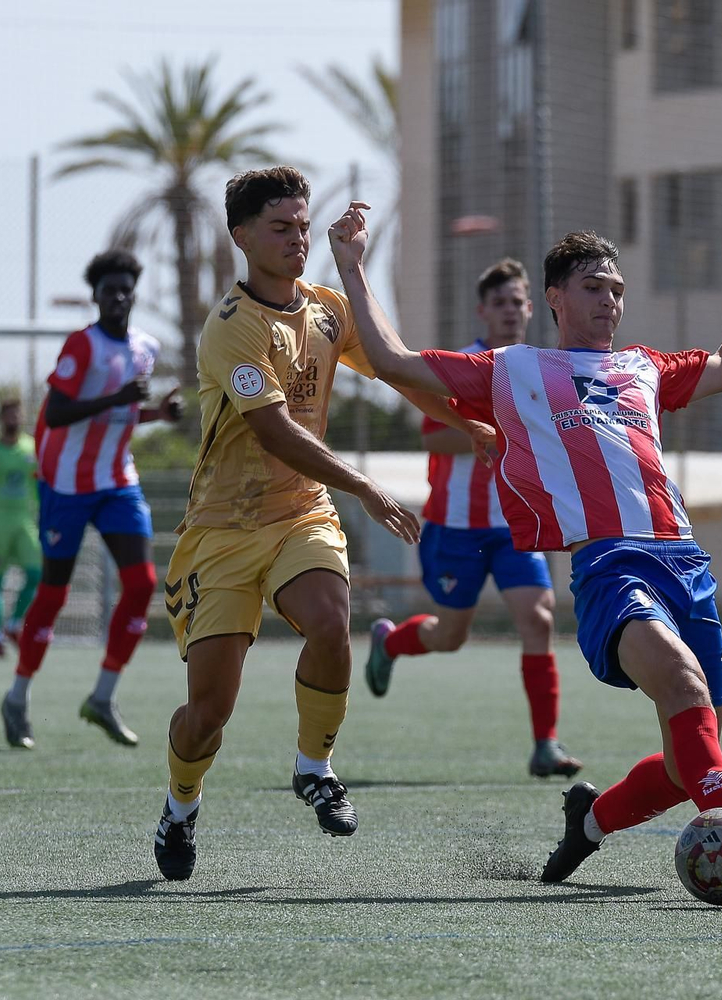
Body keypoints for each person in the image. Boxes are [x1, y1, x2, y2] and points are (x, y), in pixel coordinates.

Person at [329, 201, 722, 901]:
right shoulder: (513, 368)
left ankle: (589, 822)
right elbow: (392, 361)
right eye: (594, 286)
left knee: (688, 761)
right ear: (555, 298)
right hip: (612, 568)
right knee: (682, 689)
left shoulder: (643, 367)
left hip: (685, 564)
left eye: (617, 289)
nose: (610, 300)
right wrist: (351, 266)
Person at [152, 167, 494, 881]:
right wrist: (366, 485)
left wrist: (471, 424)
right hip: (219, 535)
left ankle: (314, 767)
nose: (297, 239)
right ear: (242, 237)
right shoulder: (231, 329)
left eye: (303, 225)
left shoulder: (328, 309)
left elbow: (401, 371)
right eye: (281, 228)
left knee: (332, 619)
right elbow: (275, 432)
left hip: (301, 512)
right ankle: (181, 805)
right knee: (208, 713)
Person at [363, 258, 583, 780]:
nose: (510, 312)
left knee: (540, 619)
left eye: (518, 303)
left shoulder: (540, 367)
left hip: (515, 527)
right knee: (451, 636)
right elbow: (433, 436)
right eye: (499, 303)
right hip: (456, 526)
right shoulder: (461, 364)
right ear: (482, 311)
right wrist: (496, 427)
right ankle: (390, 641)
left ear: (532, 309)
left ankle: (545, 745)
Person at [0, 249, 182, 750]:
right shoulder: (82, 345)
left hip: (118, 481)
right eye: (109, 290)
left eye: (126, 288)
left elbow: (120, 415)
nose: (119, 296)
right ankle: (17, 698)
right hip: (65, 485)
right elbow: (57, 412)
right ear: (96, 297)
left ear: (134, 294)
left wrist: (158, 415)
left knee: (143, 582)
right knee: (54, 593)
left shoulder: (147, 345)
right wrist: (122, 398)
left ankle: (102, 696)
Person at [0, 396, 41, 661]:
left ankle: (14, 624)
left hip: (23, 520)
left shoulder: (30, 448)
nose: (15, 419)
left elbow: (37, 486)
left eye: (18, 414)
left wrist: (46, 513)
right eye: (10, 414)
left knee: (36, 573)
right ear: (1, 418)